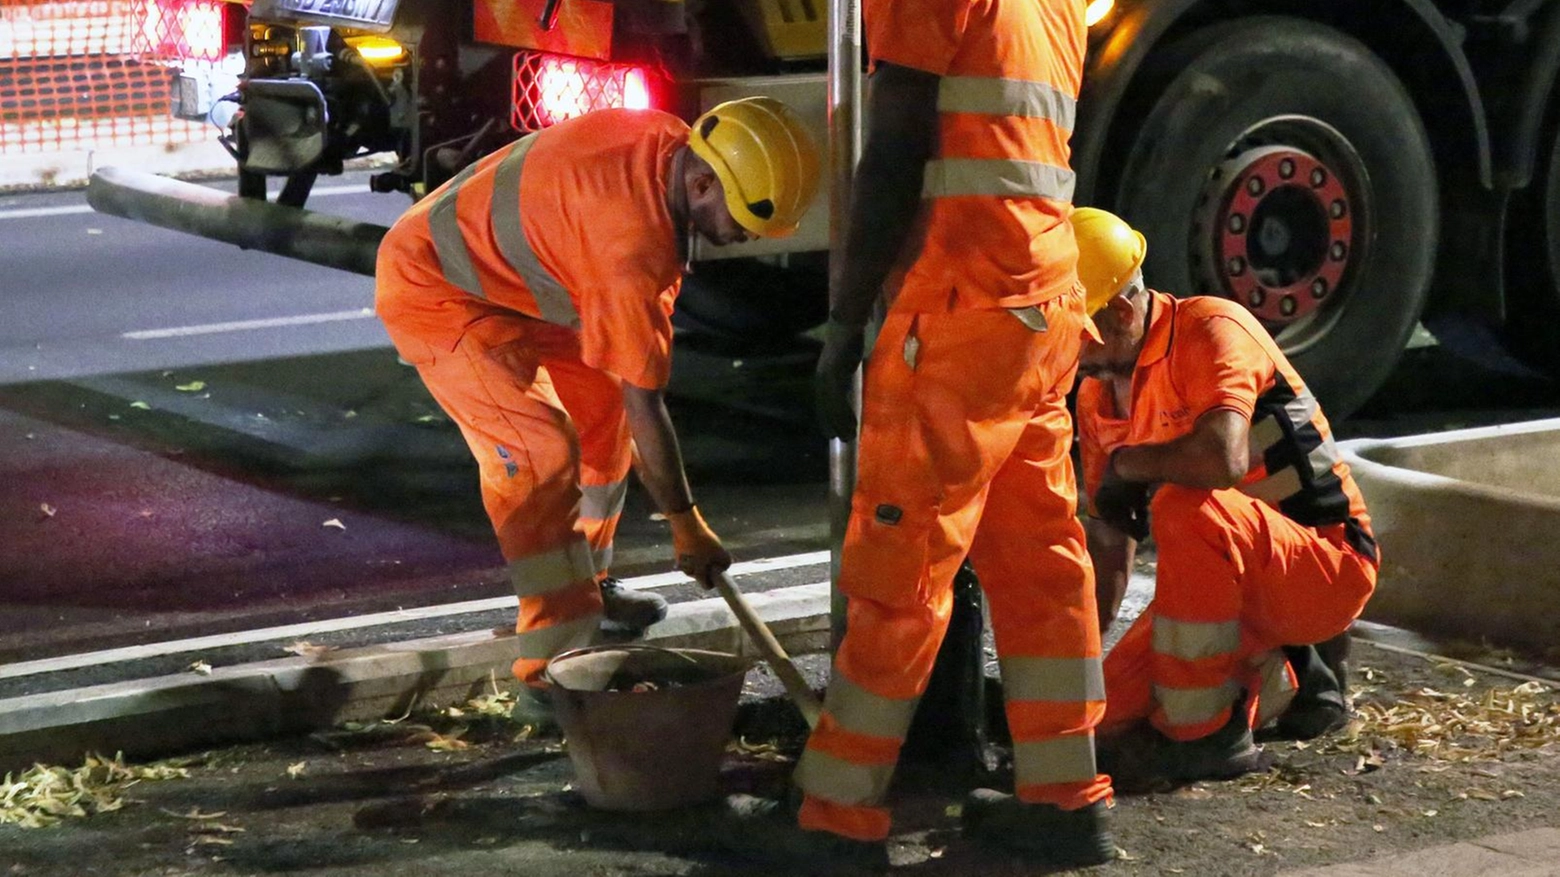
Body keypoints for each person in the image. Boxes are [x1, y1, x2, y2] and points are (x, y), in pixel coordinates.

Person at [731, 0, 1116, 868]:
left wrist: (843, 326)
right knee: (1043, 565)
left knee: (900, 572)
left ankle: (837, 810)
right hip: (1041, 303)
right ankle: (1066, 798)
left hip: (958, 309)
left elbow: (897, 148)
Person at [374, 99, 821, 724]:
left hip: (527, 285)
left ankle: (594, 586)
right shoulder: (630, 251)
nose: (747, 238)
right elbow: (650, 404)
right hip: (440, 289)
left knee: (602, 410)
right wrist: (685, 523)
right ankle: (550, 667)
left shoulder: (667, 139)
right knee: (540, 456)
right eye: (742, 218)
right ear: (700, 182)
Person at [1069, 207, 1379, 791]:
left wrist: (1129, 465)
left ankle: (1204, 737)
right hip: (1239, 586)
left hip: (1326, 566)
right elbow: (1110, 546)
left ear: (1120, 313)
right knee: (1096, 725)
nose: (1063, 351)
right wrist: (1073, 675)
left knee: (1185, 506)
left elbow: (1222, 461)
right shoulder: (1096, 396)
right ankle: (1290, 679)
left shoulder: (1212, 328)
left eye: (1073, 330)